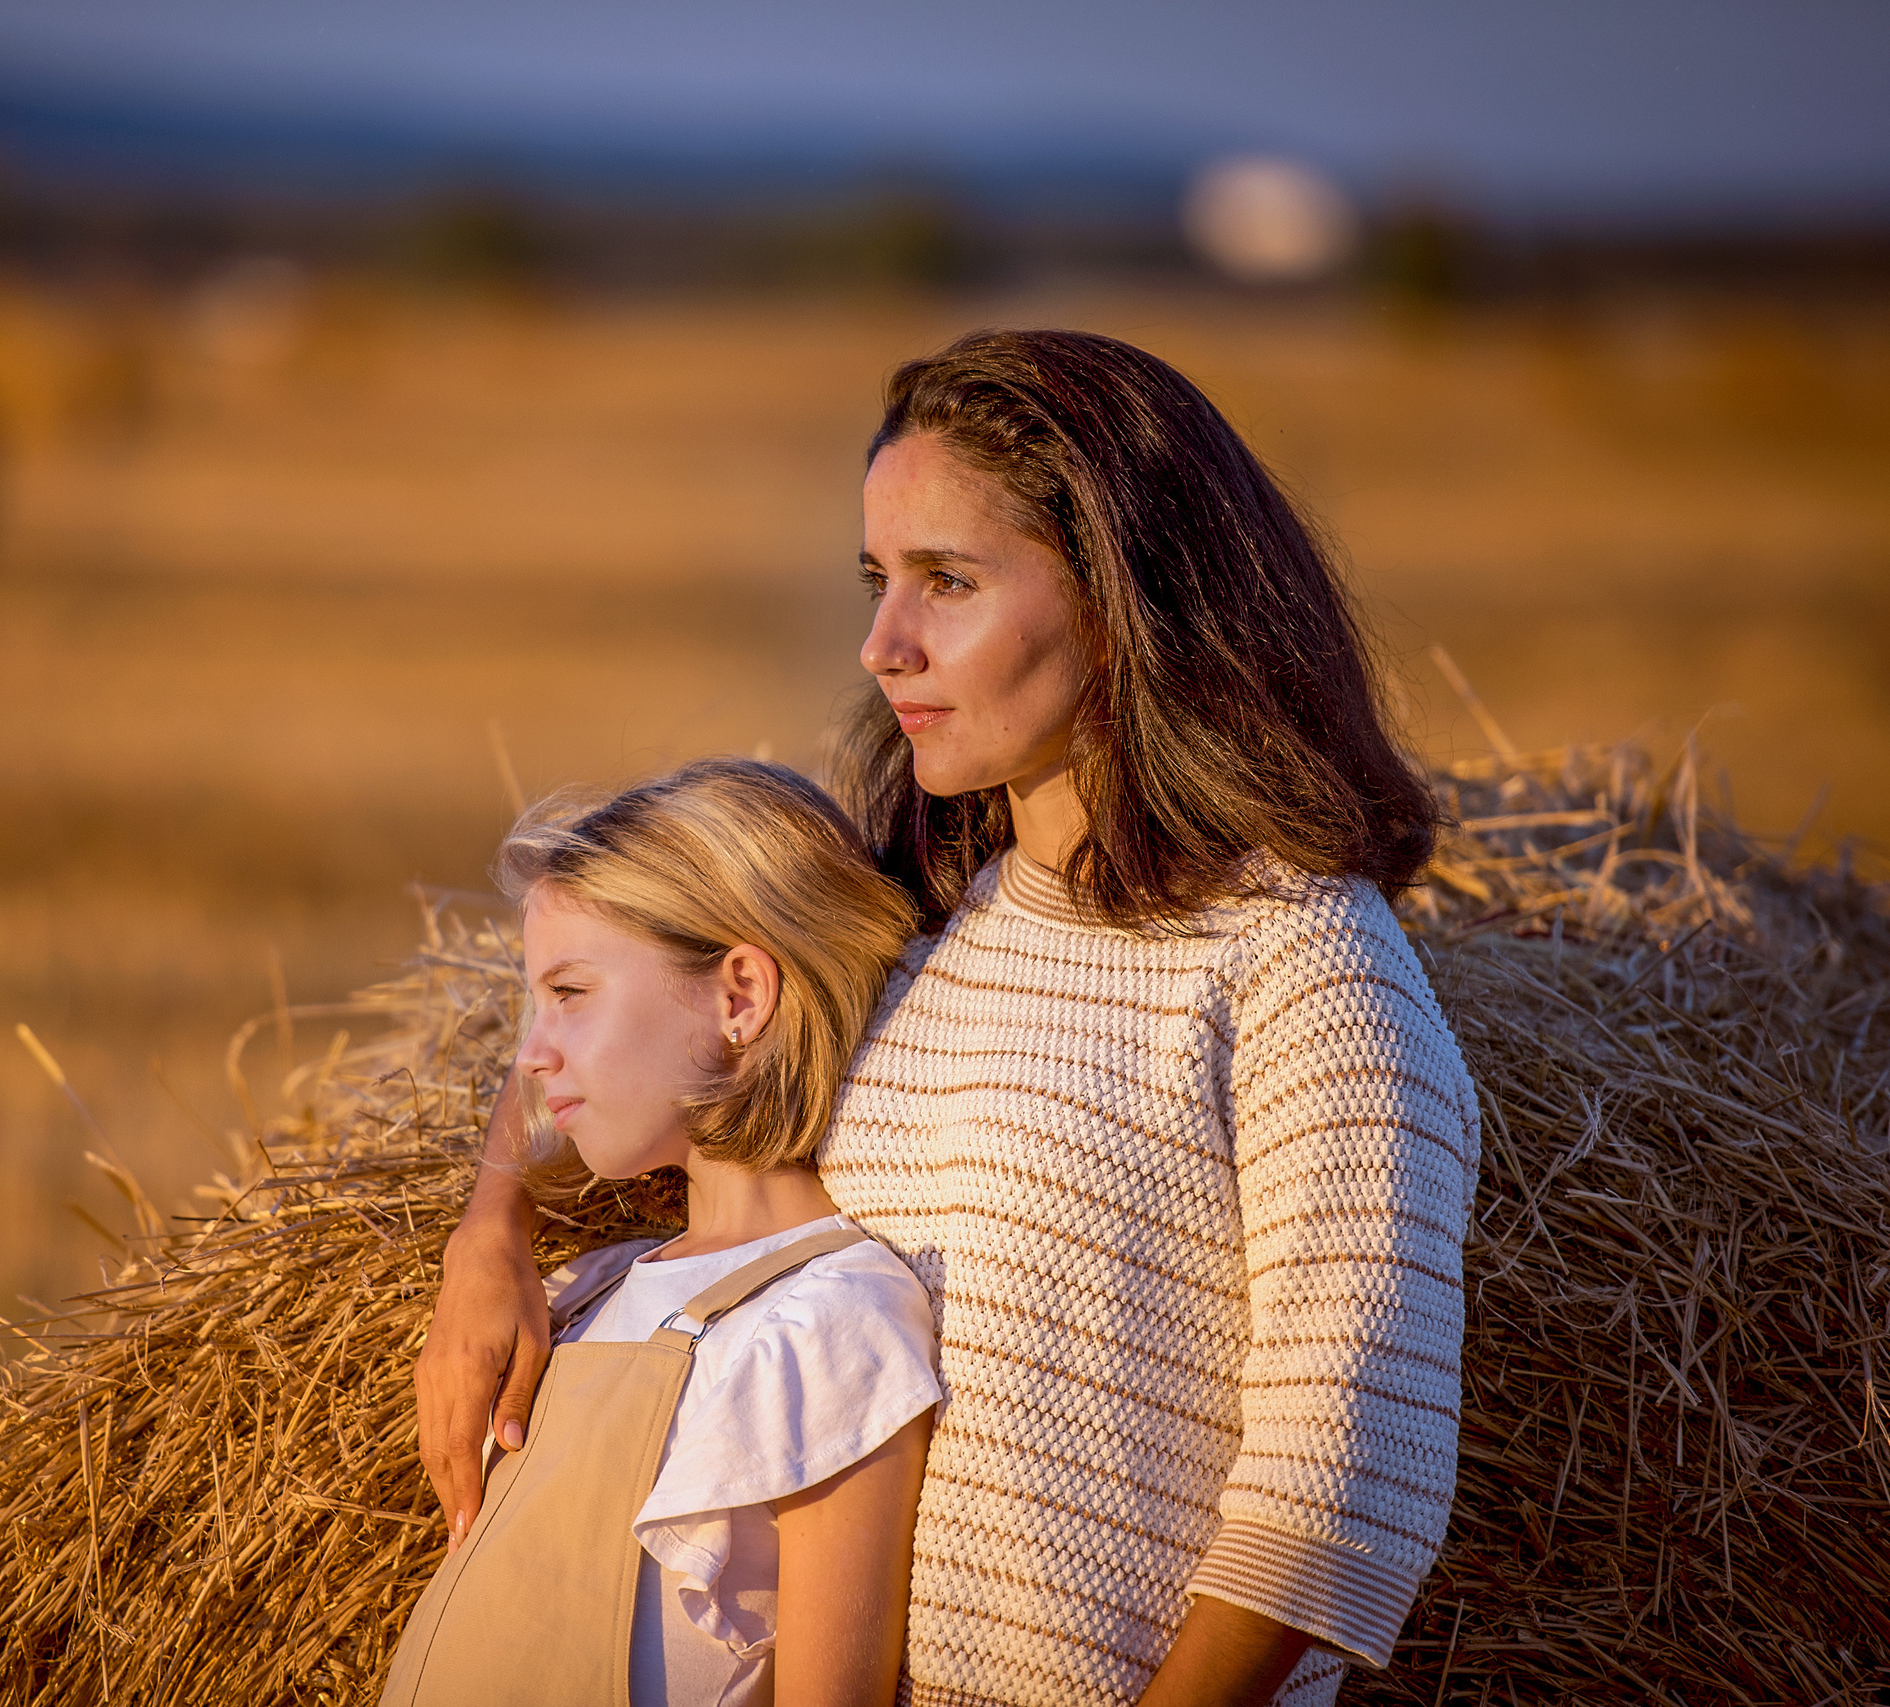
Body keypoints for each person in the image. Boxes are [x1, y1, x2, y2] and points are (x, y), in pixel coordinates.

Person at [416, 330, 1481, 1707]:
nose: (880, 643)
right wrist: (488, 1228)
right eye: (876, 582)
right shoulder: (918, 925)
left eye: (948, 583)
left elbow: (1340, 1476)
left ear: (1123, 600)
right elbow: (636, 1029)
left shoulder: (1304, 965)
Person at [386, 758, 946, 1707]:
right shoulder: (589, 1286)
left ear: (738, 997)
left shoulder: (831, 1323)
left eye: (570, 992)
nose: (529, 1050)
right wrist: (487, 1228)